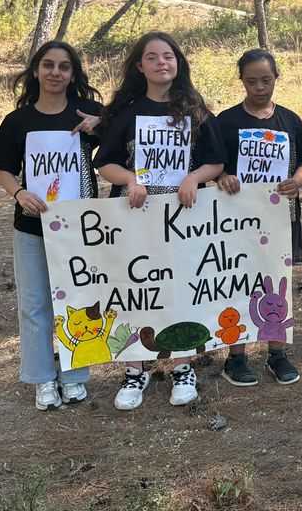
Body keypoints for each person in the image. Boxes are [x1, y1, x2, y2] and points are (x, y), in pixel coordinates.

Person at [94, 32, 225, 410]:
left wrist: (194, 177)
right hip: (134, 218)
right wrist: (130, 179)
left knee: (181, 289)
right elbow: (105, 163)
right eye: (151, 57)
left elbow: (216, 160)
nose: (161, 63)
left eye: (168, 56)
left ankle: (183, 367)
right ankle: (134, 370)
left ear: (178, 63)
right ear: (140, 66)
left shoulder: (195, 110)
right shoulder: (128, 112)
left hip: (185, 219)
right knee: (134, 289)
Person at [0, 41, 102, 410]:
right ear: (35, 71)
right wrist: (20, 193)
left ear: (73, 74)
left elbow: (123, 134)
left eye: (64, 67)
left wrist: (101, 123)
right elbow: (4, 171)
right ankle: (42, 379)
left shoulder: (89, 113)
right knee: (35, 304)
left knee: (79, 301)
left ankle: (74, 375)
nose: (55, 72)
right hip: (32, 226)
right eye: (48, 65)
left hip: (79, 228)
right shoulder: (18, 121)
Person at [215, 49, 302, 386]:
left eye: (266, 80)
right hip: (235, 220)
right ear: (241, 81)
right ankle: (236, 357)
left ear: (276, 78)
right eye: (251, 81)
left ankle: (277, 353)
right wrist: (222, 178)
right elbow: (211, 163)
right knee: (236, 282)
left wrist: (298, 180)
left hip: (279, 218)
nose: (259, 87)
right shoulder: (226, 121)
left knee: (276, 282)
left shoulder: (290, 121)